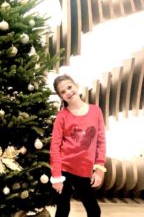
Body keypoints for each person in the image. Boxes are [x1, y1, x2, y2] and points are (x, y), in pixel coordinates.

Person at [49, 74, 106, 217]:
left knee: (94, 210)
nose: (68, 92)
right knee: (62, 210)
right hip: (64, 169)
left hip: (85, 170)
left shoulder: (96, 111)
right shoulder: (62, 116)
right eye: (63, 92)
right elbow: (55, 147)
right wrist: (56, 176)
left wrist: (99, 169)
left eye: (69, 87)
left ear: (76, 86)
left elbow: (101, 142)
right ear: (61, 97)